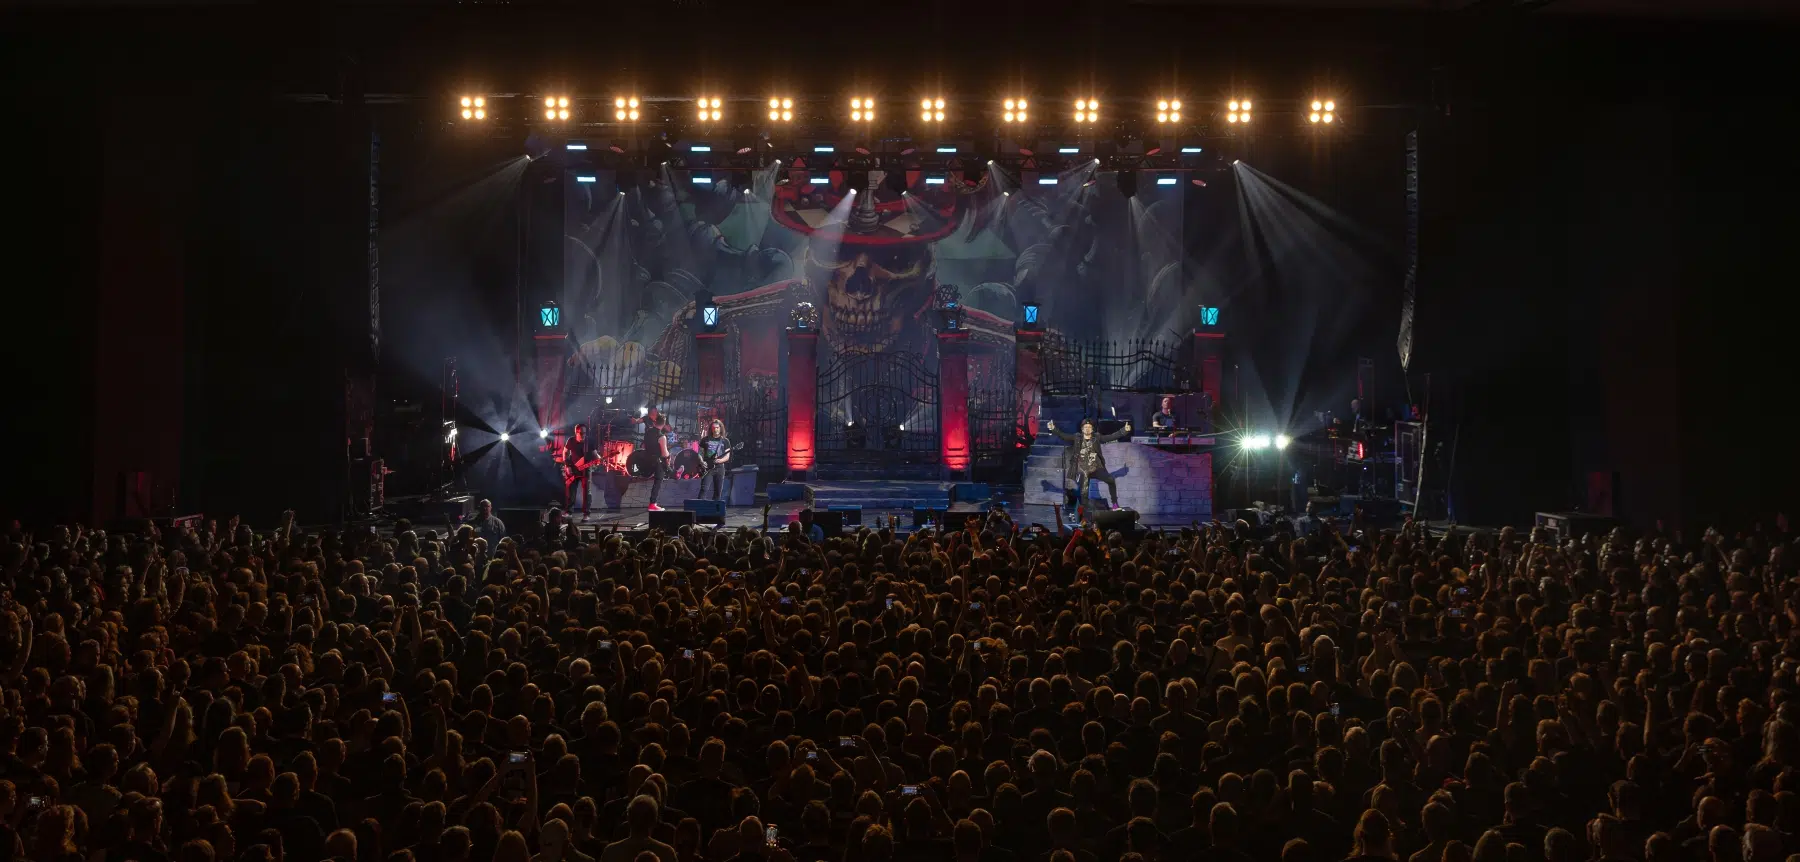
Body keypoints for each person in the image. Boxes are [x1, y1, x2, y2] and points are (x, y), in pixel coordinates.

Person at [1046, 417, 1131, 514]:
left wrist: (1123, 431)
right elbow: (1064, 436)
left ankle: (1115, 505)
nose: (1087, 429)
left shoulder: (1097, 437)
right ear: (1082, 429)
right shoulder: (1077, 437)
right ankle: (1084, 511)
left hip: (1096, 468)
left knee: (1111, 480)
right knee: (1084, 491)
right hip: (1082, 469)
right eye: (1085, 427)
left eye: (1089, 427)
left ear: (1092, 429)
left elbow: (1110, 437)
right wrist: (1053, 429)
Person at [560, 424, 599, 519]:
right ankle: (569, 512)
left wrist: (599, 460)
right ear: (576, 432)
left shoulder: (589, 441)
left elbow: (595, 455)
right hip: (573, 468)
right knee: (571, 491)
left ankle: (586, 514)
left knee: (587, 492)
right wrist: (567, 465)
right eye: (581, 433)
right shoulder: (571, 440)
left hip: (586, 468)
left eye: (585, 433)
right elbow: (565, 452)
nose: (583, 435)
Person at [640, 408, 671, 512]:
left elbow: (645, 445)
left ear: (655, 421)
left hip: (646, 458)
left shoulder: (648, 431)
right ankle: (652, 504)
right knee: (658, 480)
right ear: (664, 423)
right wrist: (668, 456)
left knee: (664, 466)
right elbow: (664, 453)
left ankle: (673, 472)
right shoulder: (662, 436)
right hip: (656, 461)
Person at [698, 419, 733, 503]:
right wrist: (702, 461)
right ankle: (699, 508)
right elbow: (700, 453)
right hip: (708, 467)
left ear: (720, 428)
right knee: (704, 489)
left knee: (718, 492)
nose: (715, 429)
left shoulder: (725, 441)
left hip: (719, 468)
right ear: (711, 429)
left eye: (717, 427)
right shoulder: (705, 440)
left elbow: (727, 456)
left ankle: (714, 509)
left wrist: (720, 460)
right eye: (713, 428)